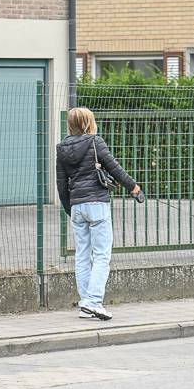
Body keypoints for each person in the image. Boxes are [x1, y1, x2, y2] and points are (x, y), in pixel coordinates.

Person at [56, 106, 140, 321]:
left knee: (82, 255)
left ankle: (86, 303)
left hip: (77, 206)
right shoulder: (95, 142)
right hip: (96, 203)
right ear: (88, 123)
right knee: (102, 255)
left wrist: (69, 208)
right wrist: (133, 187)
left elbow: (61, 183)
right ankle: (93, 302)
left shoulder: (62, 148)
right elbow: (115, 169)